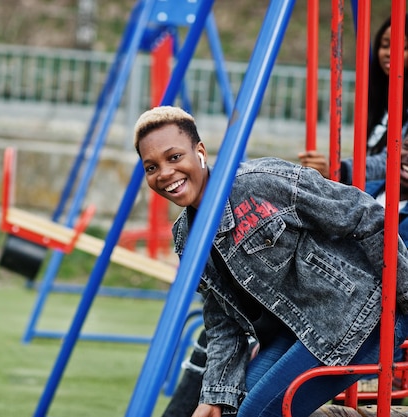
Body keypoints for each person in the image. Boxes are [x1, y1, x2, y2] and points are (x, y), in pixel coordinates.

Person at [134, 105, 408, 417]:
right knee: (231, 410)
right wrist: (213, 395)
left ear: (200, 152)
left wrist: (404, 298)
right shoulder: (186, 236)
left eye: (174, 157)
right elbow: (223, 322)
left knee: (258, 414)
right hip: (293, 333)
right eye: (151, 167)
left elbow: (364, 214)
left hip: (355, 319)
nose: (166, 173)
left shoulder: (260, 183)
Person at [298, 14, 408, 184]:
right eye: (385, 45)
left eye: (403, 48)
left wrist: (337, 169)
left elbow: (394, 161)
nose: (389, 53)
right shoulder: (380, 98)